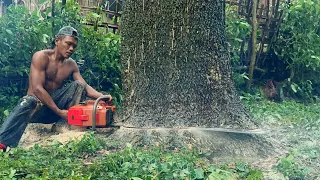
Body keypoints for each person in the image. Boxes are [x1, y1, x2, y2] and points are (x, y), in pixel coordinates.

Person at [0, 26, 112, 151]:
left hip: (56, 112)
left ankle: (69, 124)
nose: (71, 49)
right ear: (57, 40)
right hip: (37, 110)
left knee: (78, 85)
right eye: (68, 44)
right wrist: (59, 111)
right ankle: (2, 144)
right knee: (28, 101)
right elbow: (37, 88)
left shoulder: (71, 64)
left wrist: (101, 97)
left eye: (74, 46)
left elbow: (84, 86)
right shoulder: (41, 56)